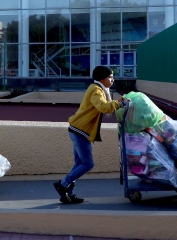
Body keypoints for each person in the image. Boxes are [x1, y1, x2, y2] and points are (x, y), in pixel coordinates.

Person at [53, 65, 126, 204]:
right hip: (80, 131)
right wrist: (120, 103)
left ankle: (68, 192)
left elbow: (105, 106)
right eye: (110, 77)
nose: (113, 80)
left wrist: (117, 102)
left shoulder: (99, 89)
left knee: (79, 163)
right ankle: (62, 185)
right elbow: (103, 107)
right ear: (101, 79)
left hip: (78, 130)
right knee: (87, 164)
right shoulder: (96, 90)